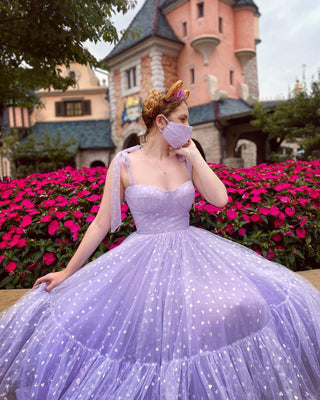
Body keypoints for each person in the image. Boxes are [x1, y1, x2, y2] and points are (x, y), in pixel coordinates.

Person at [0, 80, 320, 400]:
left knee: (237, 309)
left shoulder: (184, 159)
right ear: (161, 121)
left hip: (192, 253)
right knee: (154, 340)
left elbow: (219, 198)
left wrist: (195, 155)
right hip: (145, 262)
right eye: (182, 119)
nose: (188, 126)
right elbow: (101, 222)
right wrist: (68, 272)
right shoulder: (125, 162)